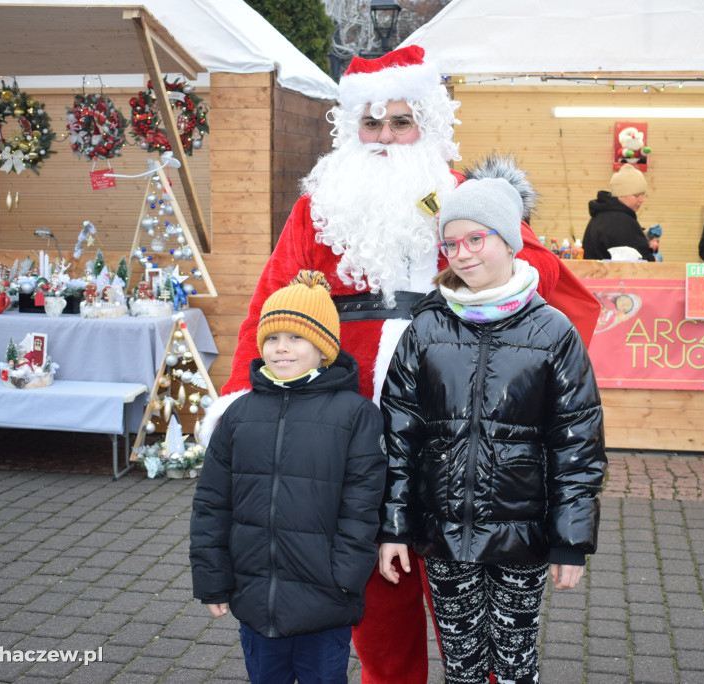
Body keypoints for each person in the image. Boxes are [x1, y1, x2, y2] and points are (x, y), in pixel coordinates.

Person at [200, 44, 602, 684]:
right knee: (374, 596)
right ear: (352, 128)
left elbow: (552, 293)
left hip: (454, 432)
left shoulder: (466, 200)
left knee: (465, 587)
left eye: (400, 122)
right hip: (344, 423)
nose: (384, 137)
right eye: (371, 124)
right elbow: (272, 306)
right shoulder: (318, 204)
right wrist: (235, 400)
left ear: (428, 125)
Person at [378, 174, 607, 684]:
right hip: (444, 537)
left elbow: (576, 440)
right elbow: (398, 435)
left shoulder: (553, 331)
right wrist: (394, 527)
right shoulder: (427, 327)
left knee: (514, 666)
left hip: (521, 536)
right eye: (451, 242)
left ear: (508, 239)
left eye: (476, 238)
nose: (462, 254)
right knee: (460, 667)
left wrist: (570, 540)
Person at [190, 271, 386, 684]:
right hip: (256, 599)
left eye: (296, 338)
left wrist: (345, 577)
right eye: (272, 338)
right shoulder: (239, 415)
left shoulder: (355, 415)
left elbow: (363, 504)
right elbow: (212, 502)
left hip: (325, 601)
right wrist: (212, 579)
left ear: (324, 347)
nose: (281, 349)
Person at [582, 164, 656, 261]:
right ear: (621, 195)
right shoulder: (621, 221)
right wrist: (654, 260)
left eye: (643, 194)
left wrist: (643, 233)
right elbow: (642, 261)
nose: (642, 200)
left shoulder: (602, 214)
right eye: (637, 195)